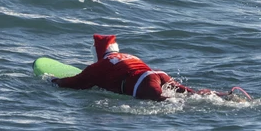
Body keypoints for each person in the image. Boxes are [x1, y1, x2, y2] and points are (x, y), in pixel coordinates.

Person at [51, 34, 247, 101]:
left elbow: (72, 83)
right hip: (157, 74)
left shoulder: (98, 67)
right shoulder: (128, 56)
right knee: (191, 94)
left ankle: (220, 103)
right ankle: (226, 96)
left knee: (170, 103)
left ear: (98, 54)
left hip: (143, 83)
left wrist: (51, 80)